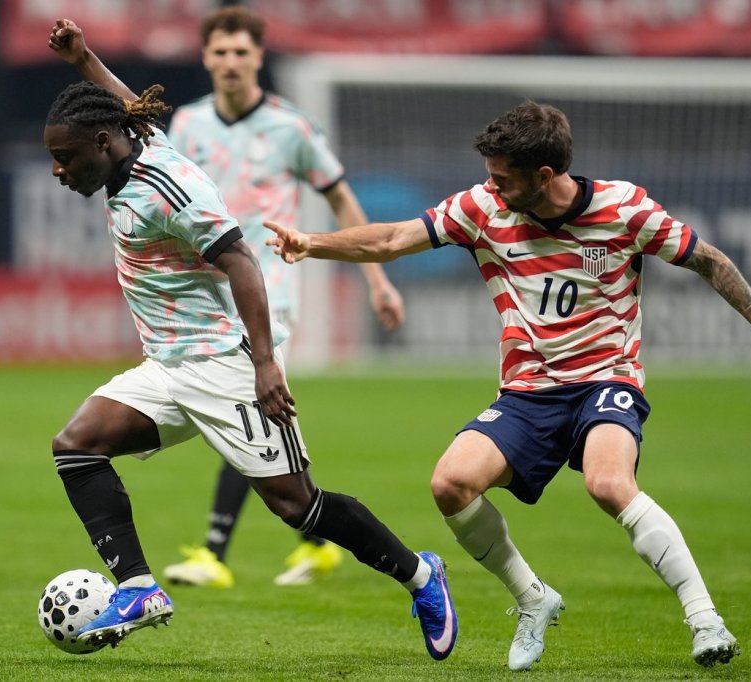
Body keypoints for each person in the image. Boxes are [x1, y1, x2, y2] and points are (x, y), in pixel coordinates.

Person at [264, 101, 751, 670]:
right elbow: (391, 239)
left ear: (543, 175)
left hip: (606, 378)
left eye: (502, 177)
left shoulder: (623, 209)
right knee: (450, 484)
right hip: (528, 390)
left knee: (609, 483)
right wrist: (311, 244)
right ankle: (533, 598)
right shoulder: (481, 208)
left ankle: (706, 620)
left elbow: (708, 260)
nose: (491, 186)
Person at [42, 19, 457, 660]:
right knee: (76, 447)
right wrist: (83, 58)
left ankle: (421, 575)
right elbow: (129, 107)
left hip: (225, 364)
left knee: (297, 507)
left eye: (65, 158)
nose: (58, 170)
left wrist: (265, 366)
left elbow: (241, 261)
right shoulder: (128, 143)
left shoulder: (169, 189)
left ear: (101, 143)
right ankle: (140, 589)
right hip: (167, 367)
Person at [162, 6, 405, 589]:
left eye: (241, 52)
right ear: (206, 58)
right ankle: (317, 542)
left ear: (258, 58)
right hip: (209, 294)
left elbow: (339, 196)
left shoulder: (291, 127)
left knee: (245, 407)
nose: (230, 62)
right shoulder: (187, 125)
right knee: (255, 416)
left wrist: (377, 278)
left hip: (271, 289)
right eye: (221, 52)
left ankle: (214, 554)